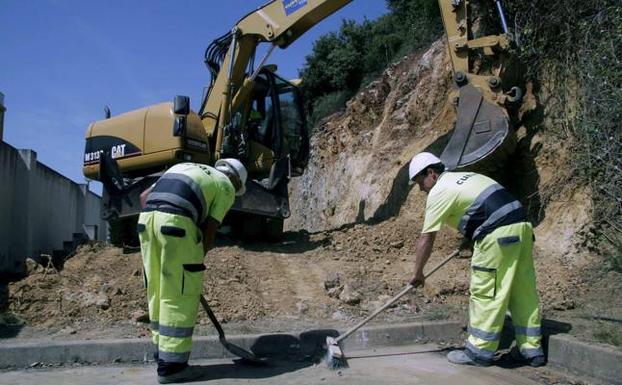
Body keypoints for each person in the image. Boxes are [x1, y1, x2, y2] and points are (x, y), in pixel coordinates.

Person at [408, 152, 545, 367]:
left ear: (431, 174)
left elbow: (427, 239)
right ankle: (531, 350)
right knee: (523, 290)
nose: (420, 189)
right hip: (523, 228)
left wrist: (418, 273)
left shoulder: (439, 191)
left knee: (486, 292)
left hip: (496, 236)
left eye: (419, 182)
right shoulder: (467, 176)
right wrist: (474, 233)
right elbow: (486, 206)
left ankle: (479, 352)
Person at [137, 159, 247, 384]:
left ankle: (162, 355)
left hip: (147, 221)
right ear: (236, 181)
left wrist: (160, 218)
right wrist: (193, 266)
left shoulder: (186, 167)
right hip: (176, 223)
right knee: (179, 294)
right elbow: (210, 230)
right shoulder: (226, 186)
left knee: (157, 289)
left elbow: (143, 197)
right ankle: (173, 368)